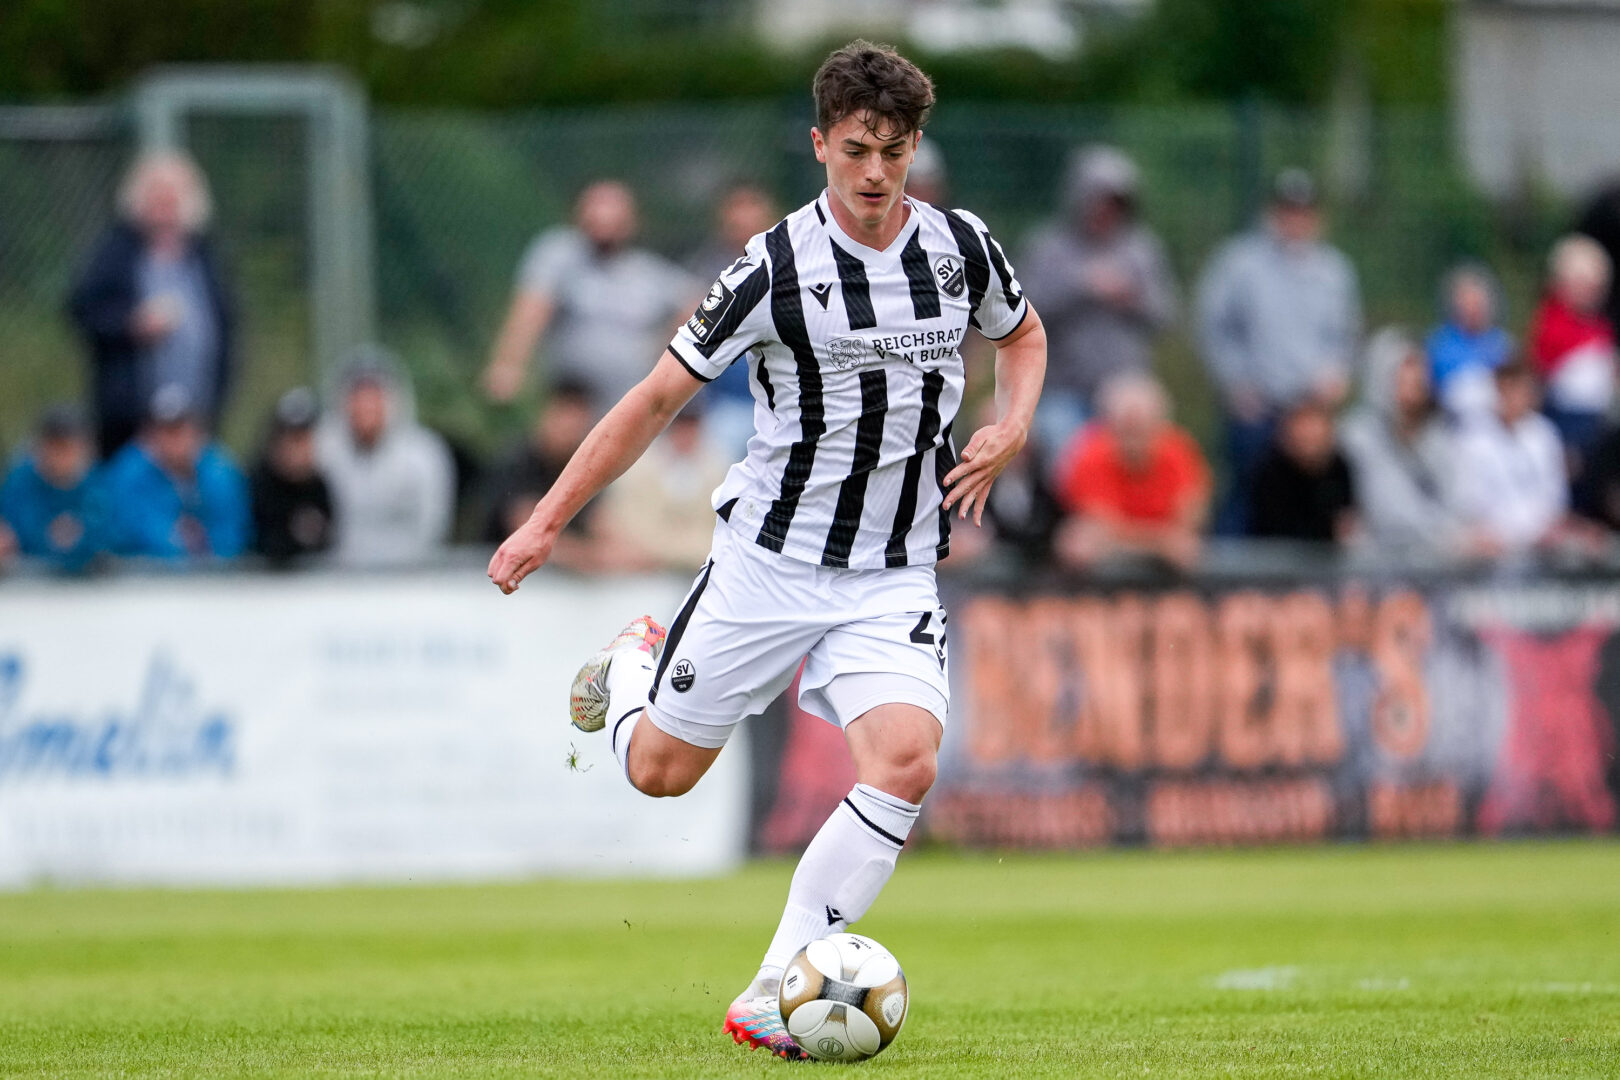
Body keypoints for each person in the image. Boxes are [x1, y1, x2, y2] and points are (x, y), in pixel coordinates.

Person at [486, 41, 1046, 1061]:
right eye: (858, 151)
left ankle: (771, 991)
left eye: (894, 152)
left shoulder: (961, 247)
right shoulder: (772, 267)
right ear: (820, 144)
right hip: (769, 565)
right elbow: (655, 398)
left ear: (915, 149)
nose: (876, 173)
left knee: (906, 762)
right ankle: (631, 668)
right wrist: (547, 521)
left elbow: (1024, 335)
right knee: (660, 772)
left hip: (892, 570)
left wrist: (1011, 426)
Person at [1196, 168, 1362, 534]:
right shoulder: (1240, 263)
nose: (1295, 219)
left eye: (1303, 210)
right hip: (1260, 408)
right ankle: (1232, 564)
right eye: (1288, 209)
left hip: (1312, 409)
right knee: (1246, 495)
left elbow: (1346, 337)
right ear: (1272, 212)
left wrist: (1337, 374)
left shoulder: (1334, 271)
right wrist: (1235, 383)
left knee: (1324, 497)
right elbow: (1214, 327)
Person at [68, 151, 236, 457]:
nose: (165, 205)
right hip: (131, 421)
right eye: (156, 195)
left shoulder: (203, 254)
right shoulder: (117, 252)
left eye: (173, 195)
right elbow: (82, 310)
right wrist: (131, 324)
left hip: (197, 417)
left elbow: (228, 323)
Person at [482, 180, 699, 409]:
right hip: (570, 393)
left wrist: (663, 355)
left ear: (632, 222)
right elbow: (531, 310)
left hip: (630, 396)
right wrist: (508, 365)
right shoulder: (560, 254)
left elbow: (696, 304)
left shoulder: (647, 271)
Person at [1019, 145, 1178, 451]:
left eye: (1115, 203)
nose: (1106, 211)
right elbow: (1020, 312)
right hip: (1062, 388)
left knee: (1143, 454)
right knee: (1067, 455)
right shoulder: (1049, 249)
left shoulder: (1141, 250)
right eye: (1099, 201)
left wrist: (1131, 298)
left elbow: (1164, 314)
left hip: (1126, 390)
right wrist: (1082, 286)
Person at [1341, 329, 1481, 558]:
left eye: (1419, 371)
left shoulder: (1437, 434)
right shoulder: (1358, 436)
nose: (1415, 381)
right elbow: (1387, 511)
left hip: (1438, 562)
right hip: (1379, 562)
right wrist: (1446, 537)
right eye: (1403, 372)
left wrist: (1457, 536)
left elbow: (1459, 500)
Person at [480, 377, 643, 572]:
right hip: (493, 576)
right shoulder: (517, 463)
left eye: (578, 420)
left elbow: (607, 530)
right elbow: (532, 539)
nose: (570, 429)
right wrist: (594, 557)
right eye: (564, 417)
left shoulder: (588, 468)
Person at [1051, 373, 1210, 573]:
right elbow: (1100, 524)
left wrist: (1162, 539)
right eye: (1126, 429)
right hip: (1122, 544)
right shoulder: (1089, 454)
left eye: (1142, 428)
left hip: (1137, 543)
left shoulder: (1179, 452)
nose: (1134, 440)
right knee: (1078, 545)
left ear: (1160, 425)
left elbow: (1191, 517)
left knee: (1188, 550)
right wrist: (1161, 541)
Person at [315, 346, 455, 569]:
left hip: (409, 574)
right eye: (358, 397)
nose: (365, 406)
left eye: (374, 397)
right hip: (336, 576)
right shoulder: (321, 451)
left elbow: (433, 524)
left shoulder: (424, 454)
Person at [98, 384, 249, 563]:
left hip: (214, 574)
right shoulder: (127, 474)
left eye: (180, 429)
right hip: (143, 573)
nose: (173, 440)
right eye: (166, 431)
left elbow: (233, 530)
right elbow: (125, 529)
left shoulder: (221, 472)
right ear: (150, 433)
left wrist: (206, 547)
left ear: (196, 431)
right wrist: (178, 543)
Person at [686, 182, 781, 459]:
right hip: (727, 403)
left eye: (751, 206)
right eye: (736, 208)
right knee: (715, 459)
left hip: (781, 397)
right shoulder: (707, 267)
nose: (743, 216)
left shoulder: (788, 262)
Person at [1447, 363, 1570, 555]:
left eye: (1521, 391)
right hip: (1492, 537)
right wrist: (1497, 531)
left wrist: (1544, 527)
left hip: (1541, 536)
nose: (1515, 398)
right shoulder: (1472, 438)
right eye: (1508, 390)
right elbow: (1468, 496)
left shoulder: (1543, 433)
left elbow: (1555, 492)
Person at [601, 399, 733, 571]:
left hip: (698, 567)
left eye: (691, 425)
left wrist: (668, 552)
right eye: (681, 425)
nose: (685, 433)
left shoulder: (718, 467)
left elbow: (720, 533)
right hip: (642, 569)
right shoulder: (639, 466)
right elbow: (626, 524)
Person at [1527, 234, 1616, 464]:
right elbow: (1538, 378)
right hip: (1564, 424)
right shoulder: (1551, 324)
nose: (1592, 292)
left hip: (1599, 423)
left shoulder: (1599, 326)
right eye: (1584, 284)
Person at [0, 404, 103, 571]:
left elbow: (114, 536)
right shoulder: (19, 483)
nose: (60, 458)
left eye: (67, 448)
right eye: (55, 448)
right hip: (27, 580)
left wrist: (81, 538)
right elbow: (13, 529)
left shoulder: (97, 484)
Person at [1248, 399, 1358, 545]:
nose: (1309, 449)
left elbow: (1345, 519)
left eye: (1315, 440)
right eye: (1304, 440)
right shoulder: (1269, 471)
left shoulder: (1340, 467)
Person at [250, 387, 334, 567]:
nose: (297, 449)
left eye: (303, 438)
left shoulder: (320, 486)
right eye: (292, 438)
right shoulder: (257, 486)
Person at [1425, 263, 1512, 420]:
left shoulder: (1502, 344)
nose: (1472, 308)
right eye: (1467, 302)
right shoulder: (1439, 345)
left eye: (1477, 302)